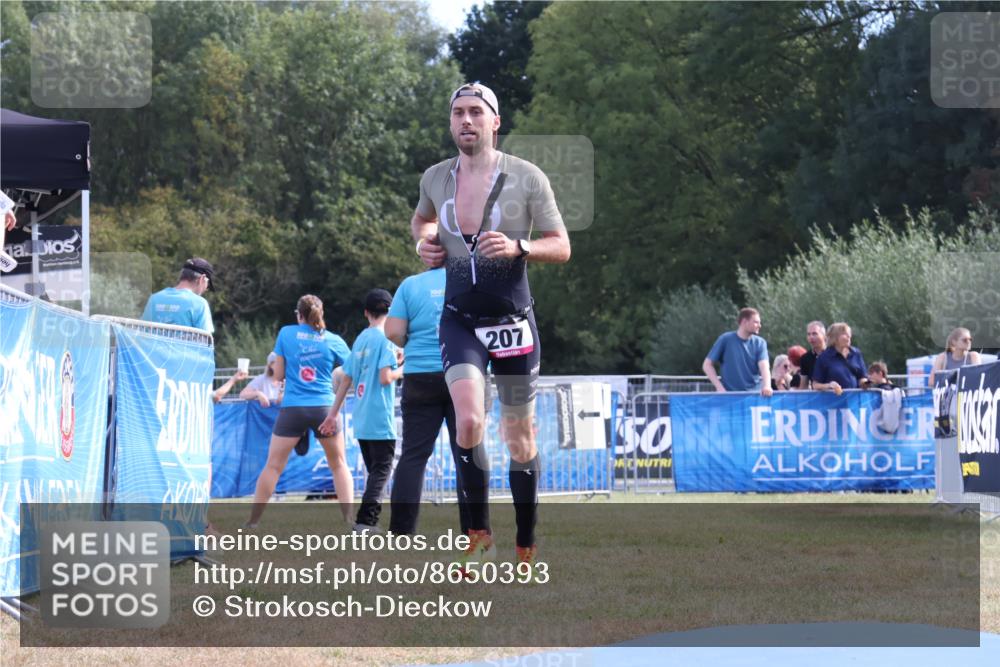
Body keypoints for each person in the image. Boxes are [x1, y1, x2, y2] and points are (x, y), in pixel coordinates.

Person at [408, 82, 571, 568]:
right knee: (470, 420)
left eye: (476, 112)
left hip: (514, 321)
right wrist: (426, 241)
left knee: (519, 437)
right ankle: (478, 537)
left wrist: (522, 247)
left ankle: (526, 542)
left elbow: (561, 244)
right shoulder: (436, 178)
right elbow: (421, 223)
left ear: (494, 121)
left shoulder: (527, 177)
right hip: (459, 319)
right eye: (458, 112)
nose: (466, 121)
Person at [247, 295, 353, 527]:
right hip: (324, 407)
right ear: (320, 314)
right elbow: (352, 369)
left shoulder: (286, 333)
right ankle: (349, 521)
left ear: (299, 315)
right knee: (338, 464)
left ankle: (253, 522)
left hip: (293, 407)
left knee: (273, 465)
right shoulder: (333, 340)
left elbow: (278, 376)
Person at [384, 267, 470, 536]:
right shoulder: (472, 279)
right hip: (465, 374)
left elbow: (393, 331)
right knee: (467, 457)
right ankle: (474, 530)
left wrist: (412, 340)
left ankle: (401, 530)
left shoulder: (410, 285)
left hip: (421, 373)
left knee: (413, 455)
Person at [321, 289, 404, 534]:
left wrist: (332, 414)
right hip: (380, 416)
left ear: (366, 313)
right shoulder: (387, 339)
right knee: (382, 471)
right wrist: (404, 368)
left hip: (362, 416)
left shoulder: (361, 339)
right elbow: (386, 377)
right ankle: (366, 521)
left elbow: (345, 378)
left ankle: (368, 521)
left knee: (374, 471)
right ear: (390, 311)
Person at [702, 308, 773, 396]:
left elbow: (764, 367)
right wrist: (719, 388)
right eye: (756, 322)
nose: (759, 325)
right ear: (744, 322)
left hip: (754, 396)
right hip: (730, 397)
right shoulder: (725, 339)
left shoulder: (760, 343)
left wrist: (767, 386)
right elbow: (707, 365)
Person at [141, 258, 215, 333]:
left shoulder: (154, 298)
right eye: (207, 286)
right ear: (202, 279)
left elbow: (142, 331)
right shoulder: (200, 304)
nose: (205, 289)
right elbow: (205, 341)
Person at [812, 322, 869, 393]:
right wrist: (829, 385)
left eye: (849, 334)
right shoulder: (824, 357)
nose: (849, 336)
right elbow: (815, 385)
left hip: (854, 401)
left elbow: (862, 377)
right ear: (835, 337)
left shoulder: (856, 353)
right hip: (833, 401)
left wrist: (867, 383)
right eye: (845, 334)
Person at [795, 321, 826, 389]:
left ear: (824, 335)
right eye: (808, 334)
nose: (811, 337)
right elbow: (803, 386)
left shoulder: (834, 354)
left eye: (814, 334)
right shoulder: (805, 358)